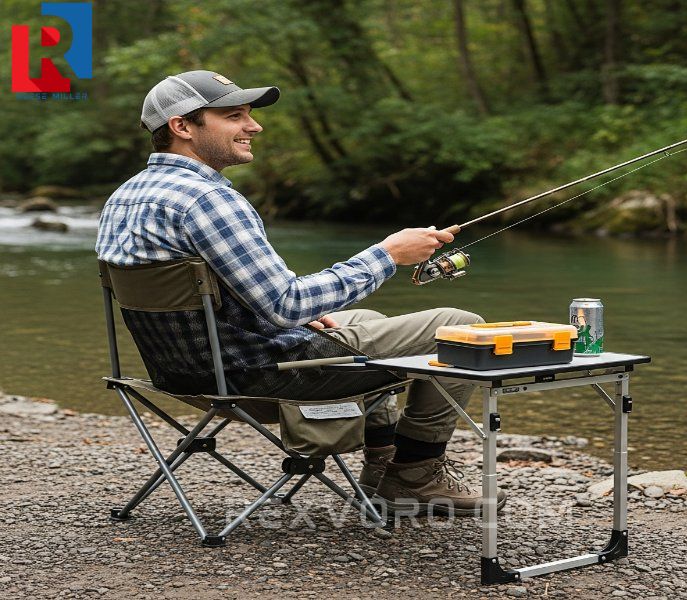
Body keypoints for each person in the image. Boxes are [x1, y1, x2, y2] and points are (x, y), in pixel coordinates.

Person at [96, 70, 506, 516]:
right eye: (235, 116)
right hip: (257, 377)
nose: (254, 127)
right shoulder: (206, 199)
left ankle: (382, 468)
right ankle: (416, 474)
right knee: (460, 327)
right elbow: (287, 303)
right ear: (182, 127)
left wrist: (288, 314)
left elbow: (213, 298)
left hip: (182, 373)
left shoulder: (125, 196)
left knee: (365, 321)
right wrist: (388, 254)